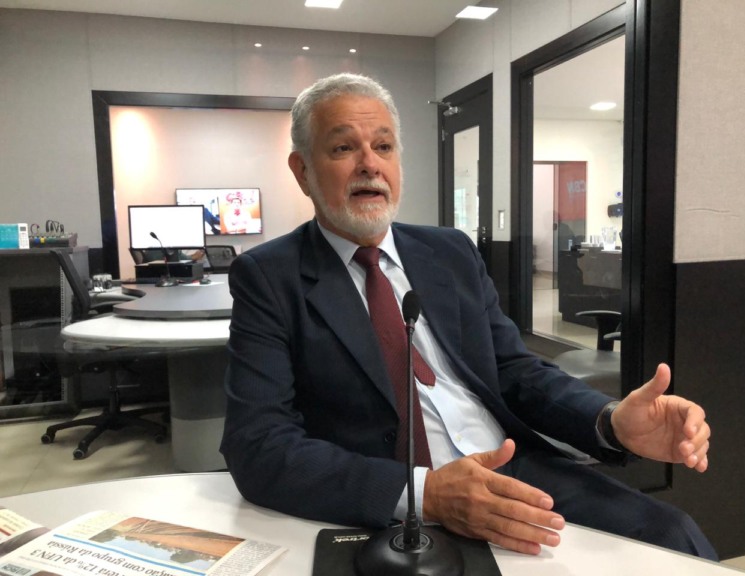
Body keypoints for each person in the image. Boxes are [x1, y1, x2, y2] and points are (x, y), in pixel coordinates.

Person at [220, 73, 717, 560]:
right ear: (302, 170)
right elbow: (257, 443)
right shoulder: (269, 277)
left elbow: (515, 370)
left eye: (384, 147)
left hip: (512, 467)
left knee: (672, 534)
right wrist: (425, 494)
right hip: (391, 499)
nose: (369, 164)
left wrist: (610, 420)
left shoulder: (449, 252)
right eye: (343, 148)